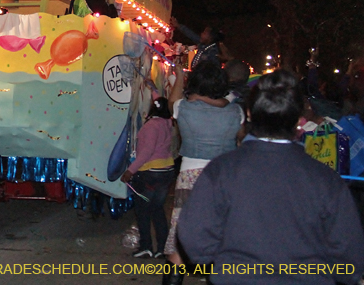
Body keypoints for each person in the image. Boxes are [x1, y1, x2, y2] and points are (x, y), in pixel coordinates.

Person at [178, 70, 364, 284]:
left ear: (248, 114)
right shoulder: (325, 178)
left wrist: (224, 263)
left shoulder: (222, 170)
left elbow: (194, 235)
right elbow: (349, 255)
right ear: (298, 119)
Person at [162, 60, 242, 284]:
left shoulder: (183, 108)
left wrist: (179, 76)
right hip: (223, 177)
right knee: (220, 235)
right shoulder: (236, 112)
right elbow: (242, 139)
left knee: (180, 238)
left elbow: (172, 102)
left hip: (190, 175)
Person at [120, 97, 176, 259]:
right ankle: (162, 248)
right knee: (157, 209)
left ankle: (146, 247)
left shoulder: (152, 126)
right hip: (166, 169)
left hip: (150, 172)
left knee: (143, 210)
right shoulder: (167, 124)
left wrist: (130, 171)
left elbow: (147, 151)